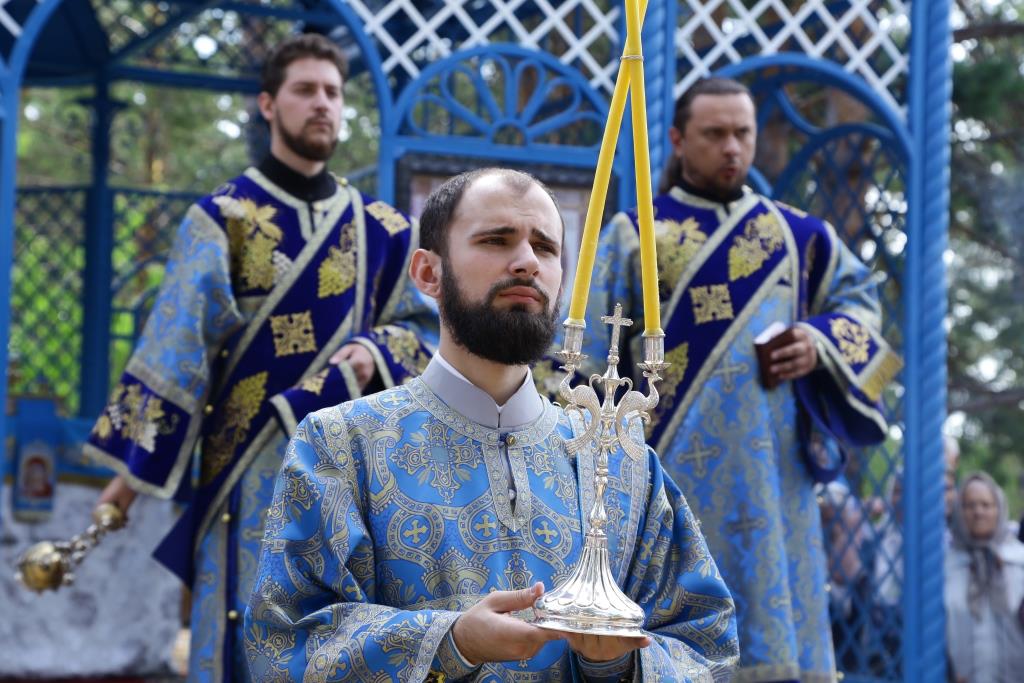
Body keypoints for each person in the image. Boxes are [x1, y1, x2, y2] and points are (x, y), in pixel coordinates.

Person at [244, 168, 739, 681]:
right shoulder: (340, 445)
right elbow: (283, 644)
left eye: (545, 248)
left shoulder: (619, 460)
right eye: (496, 240)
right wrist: (451, 643)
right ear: (428, 273)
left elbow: (707, 644)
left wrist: (618, 662)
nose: (527, 262)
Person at [84, 33, 436, 682]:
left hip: (351, 476)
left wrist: (370, 352)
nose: (323, 103)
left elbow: (426, 330)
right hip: (246, 473)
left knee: (343, 635)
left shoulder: (383, 230)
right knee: (245, 634)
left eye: (333, 92)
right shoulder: (222, 219)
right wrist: (125, 486)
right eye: (305, 90)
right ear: (268, 105)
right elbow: (177, 354)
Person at [579, 77, 902, 681]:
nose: (732, 147)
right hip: (665, 477)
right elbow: (588, 356)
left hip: (774, 482)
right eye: (715, 133)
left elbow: (864, 306)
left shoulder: (800, 237)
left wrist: (818, 342)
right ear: (678, 139)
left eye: (743, 133)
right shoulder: (635, 232)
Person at [945, 472, 1024, 683]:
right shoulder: (946, 567)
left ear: (999, 509)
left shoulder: (1020, 561)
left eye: (986, 505)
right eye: (969, 505)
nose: (978, 512)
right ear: (959, 511)